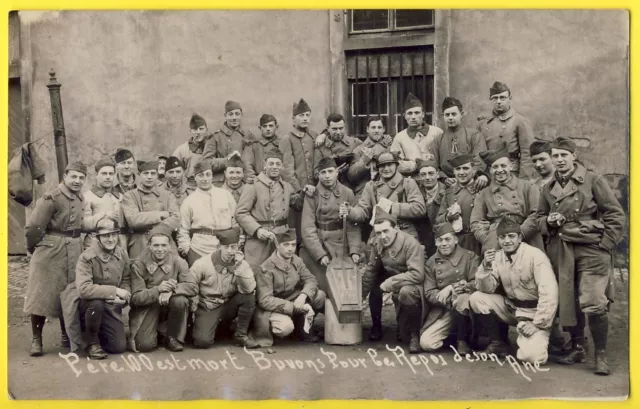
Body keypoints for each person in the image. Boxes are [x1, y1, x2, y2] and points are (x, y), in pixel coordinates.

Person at [537, 137, 625, 375]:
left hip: (591, 248)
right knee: (569, 298)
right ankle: (577, 347)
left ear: (574, 156)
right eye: (555, 156)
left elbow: (615, 214)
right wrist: (548, 221)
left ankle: (601, 355)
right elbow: (538, 217)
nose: (559, 160)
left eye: (564, 155)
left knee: (593, 300)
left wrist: (606, 244)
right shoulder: (548, 188)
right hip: (563, 248)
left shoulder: (593, 180)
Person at [468, 217, 558, 365]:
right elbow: (486, 289)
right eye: (502, 237)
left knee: (530, 358)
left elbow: (549, 294)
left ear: (520, 237)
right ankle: (498, 343)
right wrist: (485, 266)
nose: (507, 241)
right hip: (513, 308)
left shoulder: (535, 256)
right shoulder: (498, 256)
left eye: (511, 236)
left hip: (534, 313)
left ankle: (546, 336)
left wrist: (537, 324)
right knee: (477, 298)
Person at [24, 161, 88, 356]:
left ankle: (66, 334)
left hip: (74, 248)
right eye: (74, 176)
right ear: (65, 176)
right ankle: (37, 339)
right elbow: (34, 227)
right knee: (41, 295)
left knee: (68, 292)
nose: (77, 181)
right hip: (50, 251)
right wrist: (34, 248)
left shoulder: (80, 198)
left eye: (81, 177)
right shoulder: (51, 198)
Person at [360, 207, 425, 353]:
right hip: (391, 275)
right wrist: (361, 296)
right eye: (378, 233)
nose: (382, 236)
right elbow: (371, 270)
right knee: (375, 286)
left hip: (412, 281)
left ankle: (414, 334)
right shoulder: (378, 243)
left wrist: (390, 283)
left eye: (385, 231)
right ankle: (376, 326)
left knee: (405, 293)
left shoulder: (410, 243)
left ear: (395, 228)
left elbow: (417, 274)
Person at [129, 224, 197, 352]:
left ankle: (173, 336)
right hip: (149, 307)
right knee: (144, 345)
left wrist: (172, 290)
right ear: (149, 246)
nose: (160, 249)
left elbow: (192, 287)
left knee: (180, 300)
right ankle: (159, 331)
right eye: (156, 245)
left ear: (170, 246)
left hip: (170, 305)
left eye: (164, 245)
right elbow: (136, 298)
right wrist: (158, 290)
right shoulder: (139, 265)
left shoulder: (179, 262)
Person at [252, 229, 326, 347]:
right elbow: (265, 300)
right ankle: (286, 327)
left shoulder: (296, 260)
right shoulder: (266, 268)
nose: (290, 249)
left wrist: (303, 295)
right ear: (277, 245)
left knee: (320, 296)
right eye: (286, 245)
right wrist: (293, 307)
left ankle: (300, 327)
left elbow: (310, 279)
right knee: (285, 328)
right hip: (274, 308)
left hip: (294, 300)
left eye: (293, 244)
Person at [189, 227, 259, 349]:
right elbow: (189, 283)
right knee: (203, 342)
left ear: (238, 248)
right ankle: (213, 327)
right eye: (226, 247)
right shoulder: (203, 263)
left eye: (233, 247)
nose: (229, 251)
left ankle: (240, 335)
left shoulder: (242, 264)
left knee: (248, 297)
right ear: (219, 247)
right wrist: (194, 300)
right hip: (208, 306)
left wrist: (240, 269)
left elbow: (249, 289)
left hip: (229, 304)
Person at [236, 149, 303, 274]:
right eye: (271, 164)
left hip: (280, 239)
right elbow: (241, 212)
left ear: (282, 166)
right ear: (264, 165)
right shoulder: (253, 185)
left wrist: (305, 193)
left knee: (280, 275)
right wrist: (257, 230)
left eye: (278, 164)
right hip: (259, 240)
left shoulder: (287, 187)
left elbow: (298, 205)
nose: (274, 167)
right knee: (257, 274)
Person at [300, 157, 361, 293]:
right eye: (323, 172)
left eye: (330, 171)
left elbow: (353, 226)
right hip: (320, 244)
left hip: (341, 245)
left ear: (337, 172)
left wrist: (354, 250)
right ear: (318, 175)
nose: (327, 176)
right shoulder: (312, 194)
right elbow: (307, 228)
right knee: (322, 288)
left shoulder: (347, 193)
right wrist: (320, 254)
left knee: (345, 287)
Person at [470, 144, 543, 254]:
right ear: (490, 170)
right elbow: (475, 222)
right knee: (493, 264)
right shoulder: (483, 194)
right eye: (495, 167)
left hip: (526, 233)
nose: (499, 170)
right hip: (497, 236)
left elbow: (537, 213)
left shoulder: (528, 187)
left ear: (511, 166)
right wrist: (488, 238)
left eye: (503, 166)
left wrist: (520, 234)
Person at [75, 218, 131, 359]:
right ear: (97, 237)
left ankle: (100, 332)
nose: (111, 239)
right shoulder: (87, 257)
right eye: (106, 235)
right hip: (89, 305)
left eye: (113, 234)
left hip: (111, 306)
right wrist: (115, 291)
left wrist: (124, 299)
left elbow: (126, 279)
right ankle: (91, 342)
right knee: (96, 303)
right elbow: (84, 289)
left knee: (118, 347)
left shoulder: (122, 254)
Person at [340, 151, 426, 242]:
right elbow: (362, 211)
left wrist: (392, 207)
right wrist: (349, 211)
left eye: (389, 165)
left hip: (404, 231)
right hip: (380, 233)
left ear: (396, 166)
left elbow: (420, 208)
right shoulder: (371, 187)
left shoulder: (407, 183)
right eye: (382, 166)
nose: (386, 169)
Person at [420, 223, 480, 354]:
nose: (443, 244)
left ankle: (462, 341)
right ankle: (454, 337)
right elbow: (429, 292)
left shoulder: (470, 257)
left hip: (468, 308)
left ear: (456, 240)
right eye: (439, 240)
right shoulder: (431, 262)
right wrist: (448, 298)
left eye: (447, 239)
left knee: (461, 299)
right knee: (427, 343)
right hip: (444, 309)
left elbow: (477, 283)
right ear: (435, 242)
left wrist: (453, 287)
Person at [177, 159, 238, 266]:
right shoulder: (189, 201)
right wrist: (188, 251)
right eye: (201, 175)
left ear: (212, 176)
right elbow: (183, 230)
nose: (205, 179)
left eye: (208, 175)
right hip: (199, 250)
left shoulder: (226, 195)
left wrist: (236, 245)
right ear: (195, 177)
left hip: (225, 249)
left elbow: (236, 223)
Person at [122, 160, 180, 260]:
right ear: (139, 175)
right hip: (140, 244)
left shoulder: (168, 195)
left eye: (153, 173)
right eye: (146, 173)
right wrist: (162, 214)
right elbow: (133, 220)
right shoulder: (130, 196)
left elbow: (176, 219)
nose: (149, 177)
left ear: (157, 175)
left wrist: (155, 231)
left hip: (164, 242)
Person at [280, 98, 318, 249]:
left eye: (308, 115)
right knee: (297, 231)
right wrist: (299, 191)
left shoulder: (314, 136)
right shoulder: (287, 139)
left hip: (315, 191)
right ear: (293, 119)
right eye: (301, 115)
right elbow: (287, 170)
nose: (305, 119)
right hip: (298, 194)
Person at [476, 81, 534, 178]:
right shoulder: (483, 123)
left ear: (509, 99)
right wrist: (480, 174)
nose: (498, 101)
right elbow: (477, 152)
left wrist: (524, 180)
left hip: (511, 172)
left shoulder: (520, 121)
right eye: (495, 98)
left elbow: (527, 153)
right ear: (490, 100)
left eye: (502, 97)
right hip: (488, 174)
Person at [429, 97, 488, 188]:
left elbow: (479, 161)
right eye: (447, 115)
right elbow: (433, 165)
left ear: (461, 114)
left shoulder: (474, 135)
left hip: (471, 182)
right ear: (443, 116)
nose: (450, 118)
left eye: (454, 114)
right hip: (447, 184)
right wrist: (444, 178)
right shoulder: (438, 140)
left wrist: (469, 177)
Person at [436, 153, 484, 256]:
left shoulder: (481, 189)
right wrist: (448, 217)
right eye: (458, 169)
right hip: (456, 241)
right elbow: (438, 220)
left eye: (465, 168)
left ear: (474, 170)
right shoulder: (449, 193)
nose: (461, 172)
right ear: (453, 171)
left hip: (476, 240)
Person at [202, 100, 254, 187]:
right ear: (225, 116)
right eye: (230, 114)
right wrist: (226, 161)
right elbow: (206, 163)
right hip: (221, 184)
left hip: (242, 183)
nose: (234, 117)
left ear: (241, 115)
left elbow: (250, 162)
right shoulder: (215, 136)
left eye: (237, 114)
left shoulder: (247, 135)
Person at [390, 92, 444, 175]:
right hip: (411, 180)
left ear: (423, 114)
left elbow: (443, 158)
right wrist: (417, 165)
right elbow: (396, 164)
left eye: (417, 113)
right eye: (410, 113)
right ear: (404, 116)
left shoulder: (437, 132)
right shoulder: (399, 137)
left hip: (434, 178)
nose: (413, 117)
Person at [83, 157, 127, 251]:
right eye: (104, 173)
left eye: (111, 174)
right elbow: (83, 224)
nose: (108, 177)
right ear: (96, 175)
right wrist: (105, 215)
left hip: (119, 245)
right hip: (95, 245)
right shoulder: (88, 197)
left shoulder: (120, 196)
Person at [347, 116, 394, 199]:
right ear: (367, 129)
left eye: (379, 127)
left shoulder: (390, 147)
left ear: (384, 129)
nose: (376, 131)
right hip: (365, 193)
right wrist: (364, 160)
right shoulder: (359, 149)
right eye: (373, 127)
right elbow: (351, 175)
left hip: (388, 192)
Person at [312, 113, 362, 190]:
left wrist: (384, 139)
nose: (338, 132)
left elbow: (370, 146)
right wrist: (334, 173)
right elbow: (316, 174)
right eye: (334, 129)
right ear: (327, 128)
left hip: (350, 190)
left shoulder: (354, 142)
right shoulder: (321, 147)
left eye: (341, 128)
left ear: (345, 128)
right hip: (328, 191)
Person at [414, 158, 445, 257]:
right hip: (424, 241)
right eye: (423, 174)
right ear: (419, 176)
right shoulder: (415, 193)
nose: (427, 178)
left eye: (431, 173)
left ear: (438, 174)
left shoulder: (448, 191)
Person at [172, 113, 212, 190]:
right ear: (190, 130)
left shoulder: (212, 147)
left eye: (201, 129)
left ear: (206, 129)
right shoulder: (183, 149)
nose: (198, 132)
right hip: (190, 187)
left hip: (210, 186)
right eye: (195, 129)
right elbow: (172, 169)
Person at [243, 114, 281, 183]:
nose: (268, 129)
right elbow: (247, 166)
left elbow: (287, 166)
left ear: (276, 127)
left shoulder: (282, 143)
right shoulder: (253, 145)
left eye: (271, 126)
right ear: (260, 128)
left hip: (278, 182)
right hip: (258, 182)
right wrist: (256, 180)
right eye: (265, 126)